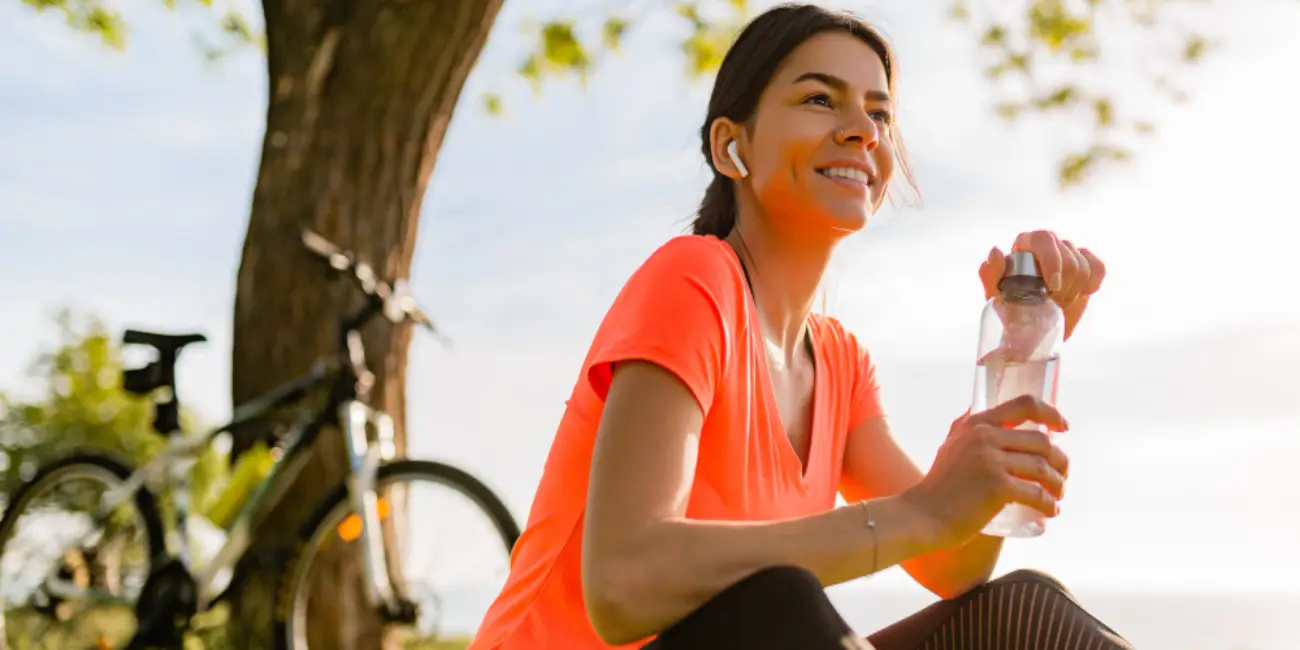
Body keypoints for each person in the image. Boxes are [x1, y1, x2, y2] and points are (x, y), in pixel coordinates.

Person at [468, 4, 1129, 649]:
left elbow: (952, 564)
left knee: (1021, 611)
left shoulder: (840, 362)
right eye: (820, 99)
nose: (863, 130)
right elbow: (623, 584)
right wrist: (917, 512)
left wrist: (1023, 352)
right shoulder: (694, 280)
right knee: (777, 605)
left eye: (879, 112)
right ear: (732, 146)